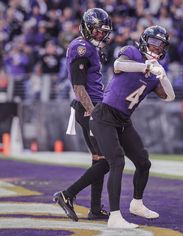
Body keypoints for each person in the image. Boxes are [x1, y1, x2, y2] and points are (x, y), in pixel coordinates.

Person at [90, 25, 175, 228]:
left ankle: (137, 204)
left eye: (161, 44)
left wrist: (163, 75)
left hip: (123, 120)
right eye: (154, 42)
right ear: (145, 40)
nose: (157, 47)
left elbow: (169, 97)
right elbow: (119, 65)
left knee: (143, 162)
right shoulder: (132, 52)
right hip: (105, 114)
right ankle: (114, 216)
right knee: (117, 162)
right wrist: (145, 66)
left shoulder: (155, 72)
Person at [53, 8, 112, 221]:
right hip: (89, 108)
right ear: (87, 28)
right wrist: (94, 112)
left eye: (102, 31)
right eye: (96, 31)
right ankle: (67, 195)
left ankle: (95, 209)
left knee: (99, 159)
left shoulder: (87, 47)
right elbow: (78, 87)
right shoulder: (81, 48)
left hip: (90, 106)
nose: (100, 35)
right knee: (109, 161)